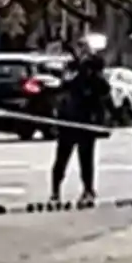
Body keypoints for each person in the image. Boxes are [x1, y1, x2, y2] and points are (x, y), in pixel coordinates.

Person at [50, 53, 116, 202]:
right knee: (66, 159)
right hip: (70, 124)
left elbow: (106, 98)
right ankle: (57, 190)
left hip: (82, 125)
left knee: (83, 160)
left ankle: (86, 189)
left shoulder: (96, 82)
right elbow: (61, 96)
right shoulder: (77, 80)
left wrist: (109, 120)